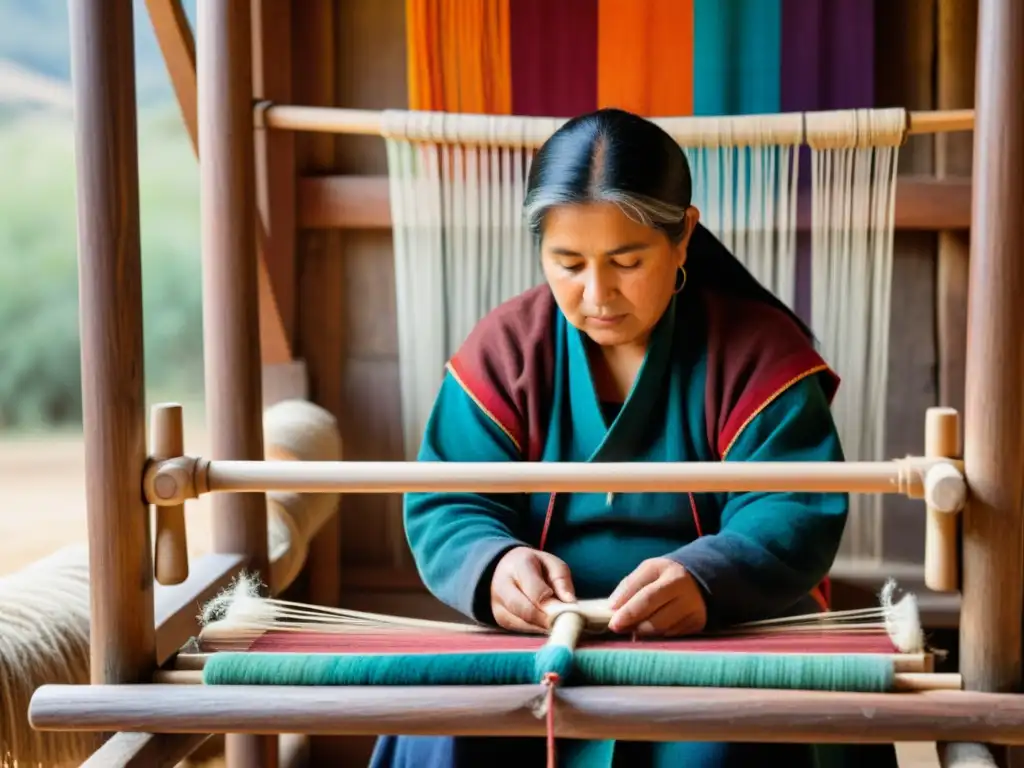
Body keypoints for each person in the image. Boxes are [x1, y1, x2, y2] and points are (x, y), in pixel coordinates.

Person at [369, 108, 897, 768]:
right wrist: (496, 567)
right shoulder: (507, 349)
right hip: (537, 638)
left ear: (683, 239)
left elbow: (792, 506)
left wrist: (705, 579)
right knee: (443, 728)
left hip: (727, 628)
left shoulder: (757, 353)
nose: (596, 293)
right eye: (568, 263)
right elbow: (447, 501)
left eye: (627, 260)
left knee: (724, 744)